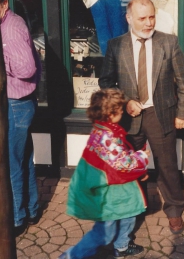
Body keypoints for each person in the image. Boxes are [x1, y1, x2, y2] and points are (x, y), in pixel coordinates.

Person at [99, 0, 184, 234]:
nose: (148, 22)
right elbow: (106, 82)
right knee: (128, 167)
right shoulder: (115, 45)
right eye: (142, 18)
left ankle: (174, 210)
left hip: (161, 114)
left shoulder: (168, 42)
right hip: (129, 117)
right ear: (129, 18)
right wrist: (125, 101)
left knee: (167, 166)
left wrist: (183, 113)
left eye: (152, 17)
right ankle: (131, 209)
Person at [61, 89, 149, 259]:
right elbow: (123, 164)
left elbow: (117, 159)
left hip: (114, 189)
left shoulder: (102, 130)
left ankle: (122, 245)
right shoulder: (108, 137)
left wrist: (138, 171)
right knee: (104, 232)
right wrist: (142, 157)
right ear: (110, 114)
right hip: (108, 194)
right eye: (120, 110)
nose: (123, 113)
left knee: (128, 214)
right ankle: (71, 256)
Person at [0, 0, 42, 230]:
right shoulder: (8, 23)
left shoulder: (11, 29)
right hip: (21, 103)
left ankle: (17, 218)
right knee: (23, 159)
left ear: (4, 4)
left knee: (13, 162)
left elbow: (27, 69)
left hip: (16, 103)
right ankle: (32, 210)